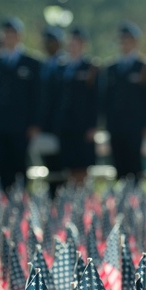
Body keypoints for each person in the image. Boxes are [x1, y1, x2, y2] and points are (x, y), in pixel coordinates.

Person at [0, 17, 41, 189]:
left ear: (20, 36)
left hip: (21, 126)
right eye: (6, 33)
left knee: (19, 167)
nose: (9, 37)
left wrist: (35, 123)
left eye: (12, 33)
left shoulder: (32, 63)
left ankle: (20, 203)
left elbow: (37, 96)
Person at [103, 22, 146, 179]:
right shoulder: (111, 68)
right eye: (122, 40)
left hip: (135, 125)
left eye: (129, 39)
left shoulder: (144, 67)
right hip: (116, 124)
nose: (125, 43)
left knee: (135, 165)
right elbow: (105, 98)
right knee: (119, 164)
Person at [55, 27, 99, 182]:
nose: (72, 45)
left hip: (83, 126)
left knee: (82, 167)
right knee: (68, 167)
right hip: (66, 126)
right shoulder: (61, 68)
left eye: (77, 42)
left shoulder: (91, 68)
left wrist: (93, 126)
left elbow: (95, 99)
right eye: (71, 42)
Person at [39, 26, 66, 180]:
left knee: (61, 166)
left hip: (61, 124)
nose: (49, 44)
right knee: (48, 165)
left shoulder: (65, 65)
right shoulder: (43, 65)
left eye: (53, 41)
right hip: (46, 123)